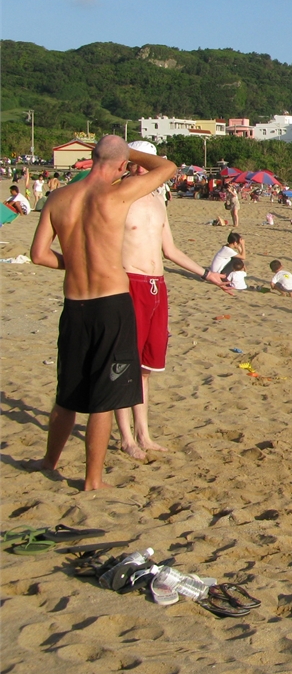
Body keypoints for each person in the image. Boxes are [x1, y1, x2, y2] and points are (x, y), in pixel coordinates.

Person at [29, 136, 177, 491]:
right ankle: (92, 479)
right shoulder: (117, 194)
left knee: (67, 391)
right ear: (122, 164)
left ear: (91, 158)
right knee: (103, 396)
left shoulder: (59, 198)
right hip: (111, 304)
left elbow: (38, 254)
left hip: (74, 304)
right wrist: (129, 152)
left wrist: (73, 262)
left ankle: (50, 461)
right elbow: (168, 168)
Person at [114, 140, 234, 460]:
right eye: (136, 163)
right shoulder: (119, 195)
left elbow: (171, 250)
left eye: (147, 164)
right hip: (129, 283)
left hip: (157, 287)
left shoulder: (157, 199)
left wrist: (207, 274)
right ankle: (125, 437)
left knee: (145, 367)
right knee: (124, 364)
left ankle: (144, 433)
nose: (141, 169)